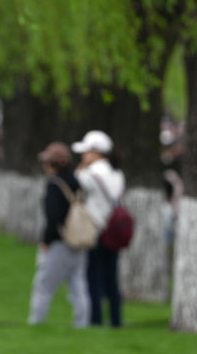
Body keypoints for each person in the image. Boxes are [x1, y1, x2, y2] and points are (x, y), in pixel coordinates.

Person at [28, 142, 90, 327]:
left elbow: (53, 216)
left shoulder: (54, 184)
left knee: (43, 287)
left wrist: (46, 241)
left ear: (53, 164)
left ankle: (36, 323)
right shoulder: (76, 182)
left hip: (58, 243)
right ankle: (82, 324)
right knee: (78, 287)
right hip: (78, 241)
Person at [73, 130, 125, 328]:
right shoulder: (117, 173)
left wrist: (82, 167)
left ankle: (95, 320)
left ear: (96, 152)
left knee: (93, 277)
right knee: (111, 278)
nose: (83, 156)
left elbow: (75, 181)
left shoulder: (90, 174)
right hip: (113, 231)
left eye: (87, 152)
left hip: (96, 231)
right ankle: (116, 320)